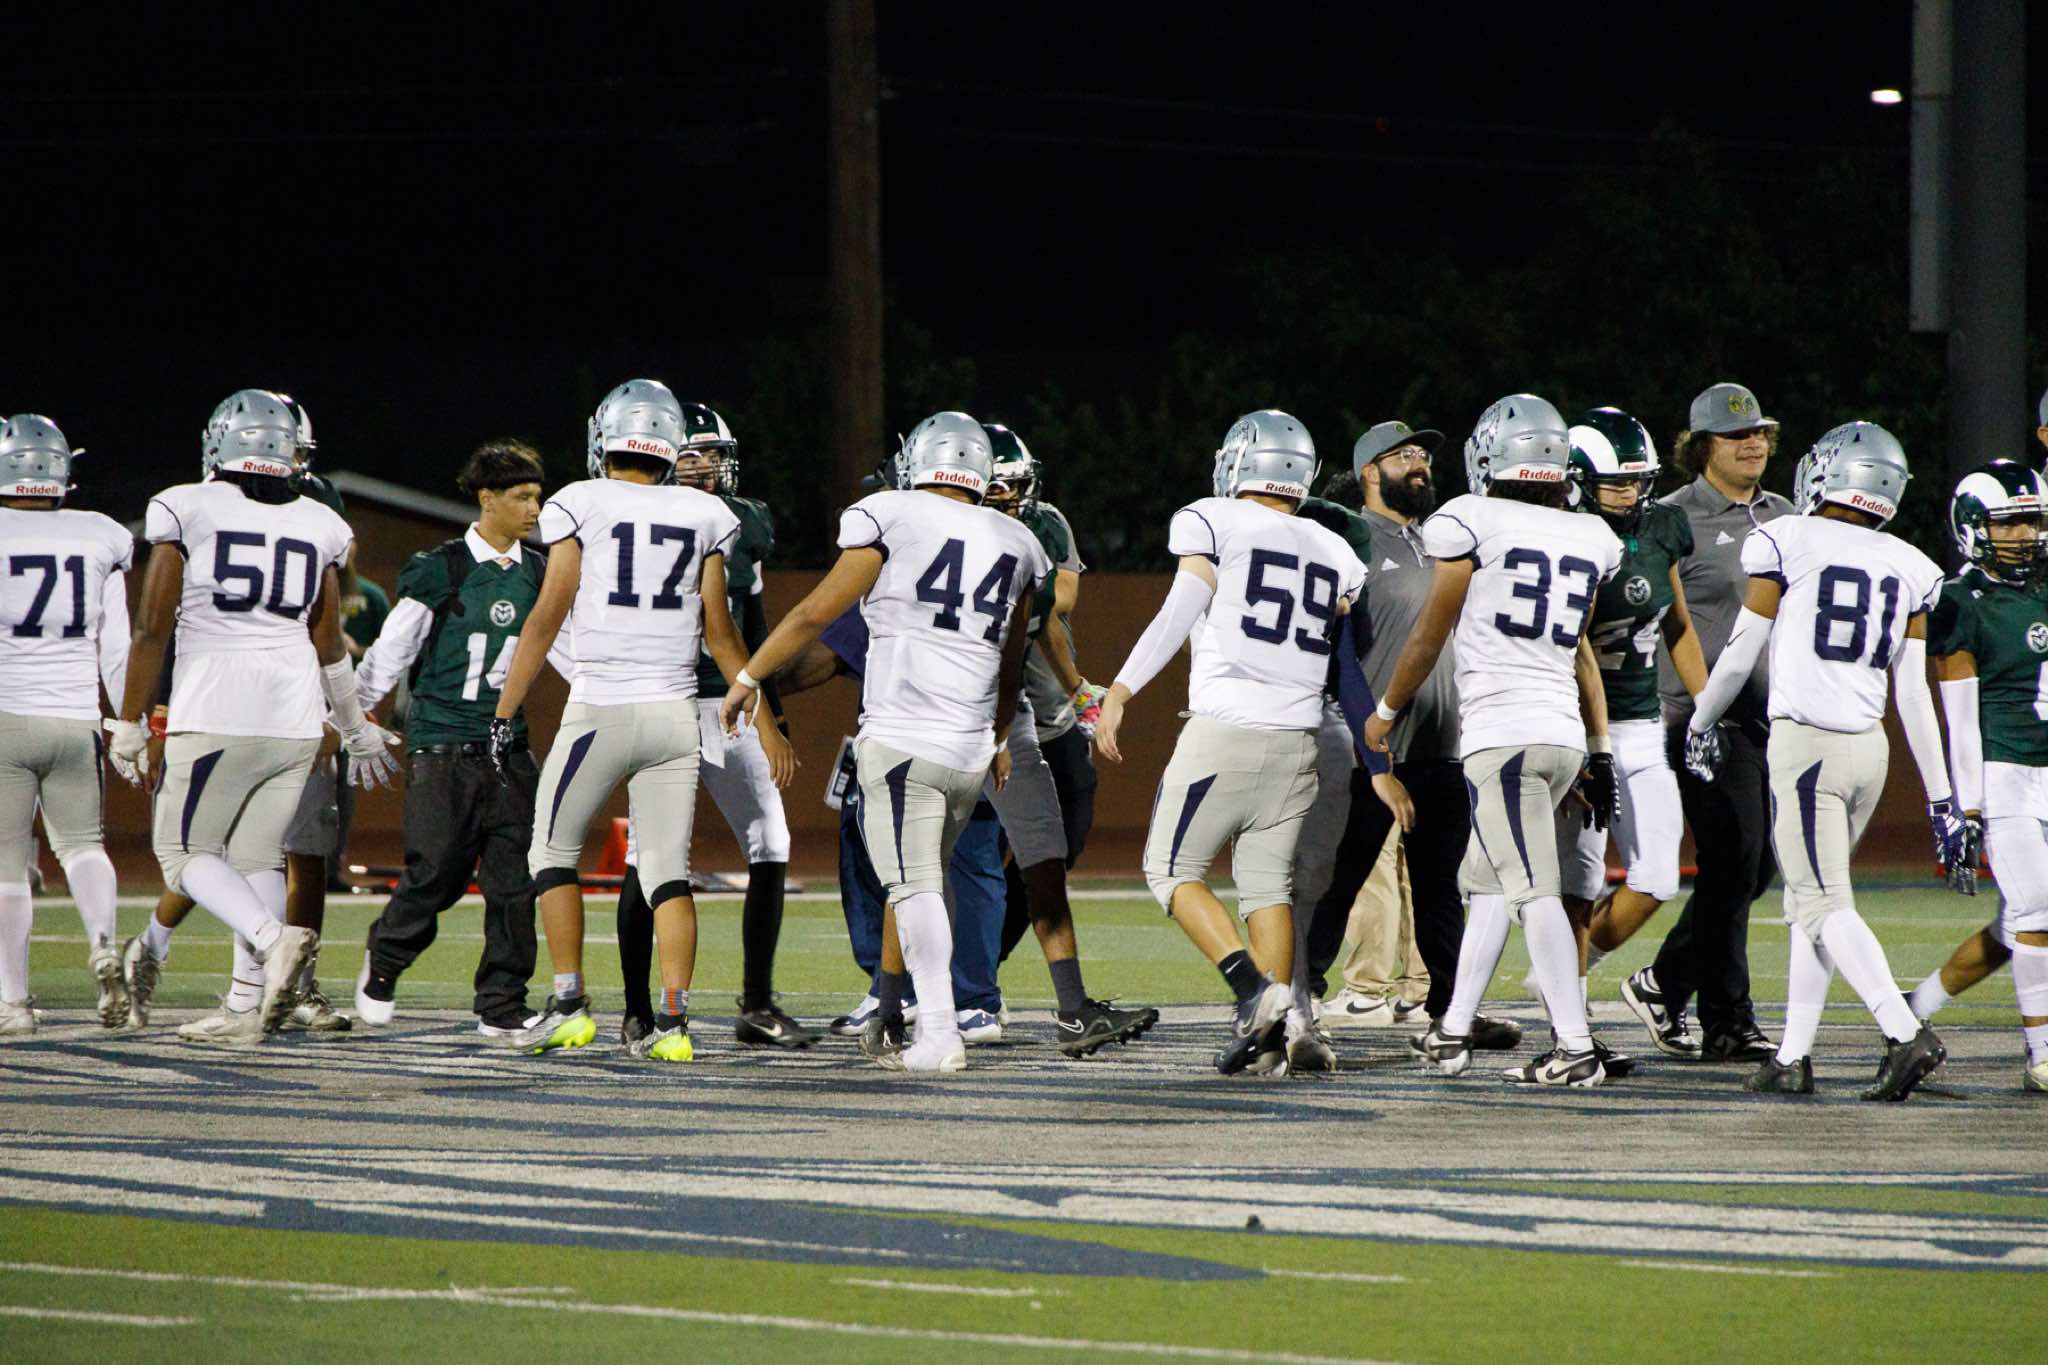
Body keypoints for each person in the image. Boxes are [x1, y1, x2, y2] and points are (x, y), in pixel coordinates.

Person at [720, 411, 1049, 1074]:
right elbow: (1013, 660)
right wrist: (999, 736)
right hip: (969, 750)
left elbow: (813, 613)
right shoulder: (1017, 540)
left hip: (904, 739)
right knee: (925, 884)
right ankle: (910, 1012)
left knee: (915, 886)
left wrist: (749, 677)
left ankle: (939, 1032)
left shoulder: (890, 514)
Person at [492, 379, 792, 1061]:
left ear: (606, 439)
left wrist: (504, 712)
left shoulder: (580, 500)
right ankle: (674, 1025)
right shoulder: (705, 513)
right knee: (666, 873)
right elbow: (722, 635)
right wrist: (764, 715)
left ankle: (569, 1003)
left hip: (601, 708)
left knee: (551, 853)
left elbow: (546, 616)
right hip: (675, 715)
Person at [1099, 409, 1396, 1077]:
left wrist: (1121, 689)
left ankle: (1252, 990)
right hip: (1299, 740)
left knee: (1170, 870)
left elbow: (1178, 610)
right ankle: (1275, 1034)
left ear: (1238, 463)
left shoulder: (1214, 519)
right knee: (1267, 888)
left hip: (1226, 730)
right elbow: (1348, 652)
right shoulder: (1335, 549)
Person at [109, 389, 401, 1046]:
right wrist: (354, 727)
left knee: (182, 854)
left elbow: (151, 628)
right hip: (295, 718)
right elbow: (329, 645)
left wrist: (129, 719)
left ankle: (274, 941)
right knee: (257, 858)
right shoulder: (320, 522)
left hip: (217, 704)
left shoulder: (184, 505)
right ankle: (246, 1004)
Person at [1682, 421, 1963, 1099]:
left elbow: (1741, 651)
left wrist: (1700, 717)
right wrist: (1941, 796)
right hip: (1870, 750)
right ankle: (1791, 1056)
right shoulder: (1912, 563)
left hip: (1808, 746)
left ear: (1830, 474)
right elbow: (1913, 695)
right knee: (1811, 903)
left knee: (1821, 902)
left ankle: (1903, 1031)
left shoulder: (1787, 537)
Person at [1365, 394, 1622, 1087]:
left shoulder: (1469, 519)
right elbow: (1579, 649)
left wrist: (1385, 710)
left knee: (1533, 892)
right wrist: (1599, 748)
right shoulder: (1591, 535)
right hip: (1559, 733)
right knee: (1484, 886)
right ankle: (1452, 1029)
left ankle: (1574, 1047)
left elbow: (1429, 634)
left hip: (1504, 737)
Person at [1306, 421, 1520, 1057]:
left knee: (1442, 889)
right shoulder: (1350, 539)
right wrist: (1365, 742)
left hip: (1444, 746)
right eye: (1403, 455)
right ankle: (1296, 1002)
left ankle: (1451, 1011)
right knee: (1339, 882)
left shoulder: (1443, 539)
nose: (1420, 463)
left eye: (1424, 453)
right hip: (1371, 750)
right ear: (1369, 472)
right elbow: (1337, 650)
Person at [611, 404, 815, 1049]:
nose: (703, 467)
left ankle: (756, 1003)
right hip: (664, 698)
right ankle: (637, 1008)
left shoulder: (743, 521)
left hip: (729, 700)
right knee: (650, 855)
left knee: (771, 838)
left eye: (711, 455)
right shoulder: (629, 513)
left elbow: (754, 622)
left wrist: (773, 711)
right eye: (690, 454)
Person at [351, 440, 553, 1037]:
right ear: (487, 499)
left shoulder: (541, 571)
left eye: (538, 496)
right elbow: (393, 649)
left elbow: (568, 651)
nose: (534, 508)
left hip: (509, 748)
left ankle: (502, 1004)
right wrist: (354, 717)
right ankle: (385, 958)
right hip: (442, 745)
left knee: (515, 884)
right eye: (522, 496)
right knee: (436, 874)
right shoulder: (441, 567)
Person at [1623, 382, 1792, 1063]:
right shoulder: (1671, 516)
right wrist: (1697, 712)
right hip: (1696, 717)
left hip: (1766, 718)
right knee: (1734, 857)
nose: (1754, 443)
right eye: (1737, 434)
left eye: (1760, 432)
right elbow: (1653, 612)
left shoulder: (1785, 513)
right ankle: (1728, 1020)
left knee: (1755, 867)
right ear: (1701, 447)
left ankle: (1664, 983)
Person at [975, 422, 1157, 1052]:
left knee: (1053, 847)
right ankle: (930, 995)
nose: (1007, 496)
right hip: (965, 713)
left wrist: (1078, 690)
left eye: (1013, 485)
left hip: (1038, 713)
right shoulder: (953, 532)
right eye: (996, 485)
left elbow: (1057, 605)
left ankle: (991, 983)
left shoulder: (1041, 525)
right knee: (945, 860)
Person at [1553, 408, 1710, 1071]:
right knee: (1579, 879)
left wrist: (1706, 708)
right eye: (1615, 482)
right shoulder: (1565, 536)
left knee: (1657, 876)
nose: (1630, 493)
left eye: (1638, 480)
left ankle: (1567, 975)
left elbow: (1677, 623)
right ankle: (1567, 1012)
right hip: (1582, 728)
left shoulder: (1661, 527)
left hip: (1643, 723)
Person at [1915, 460, 2048, 1092]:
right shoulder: (1958, 601)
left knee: (2011, 930)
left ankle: (1911, 1010)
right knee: (2036, 911)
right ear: (1972, 528)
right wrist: (1965, 808)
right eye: (2009, 523)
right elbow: (1960, 720)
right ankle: (2042, 1054)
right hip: (2003, 772)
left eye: (2032, 521)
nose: (2024, 535)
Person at [0, 415, 132, 1034]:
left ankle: (13, 1003)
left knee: (5, 864)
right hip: (77, 717)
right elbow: (118, 645)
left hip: (6, 714)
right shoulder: (101, 532)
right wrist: (127, 720)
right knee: (83, 845)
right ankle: (103, 943)